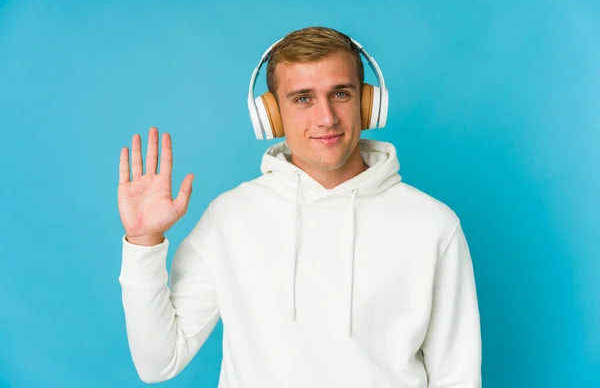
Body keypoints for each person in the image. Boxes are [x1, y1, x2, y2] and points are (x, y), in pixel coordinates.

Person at [117, 26, 482, 387]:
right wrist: (143, 242)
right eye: (303, 98)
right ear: (272, 115)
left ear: (368, 104)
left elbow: (458, 376)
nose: (326, 117)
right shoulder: (230, 217)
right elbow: (158, 363)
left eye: (340, 93)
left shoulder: (433, 225)